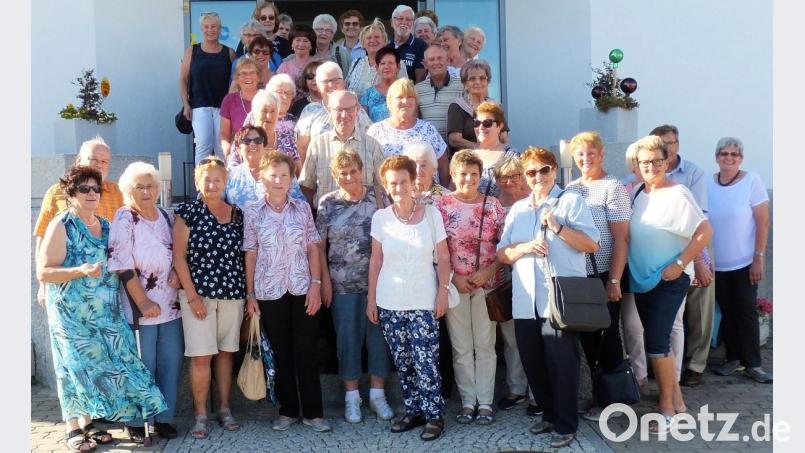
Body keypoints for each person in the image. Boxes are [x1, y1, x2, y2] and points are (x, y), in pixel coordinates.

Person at [37, 166, 167, 453]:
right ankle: (74, 426)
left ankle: (91, 424)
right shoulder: (63, 224)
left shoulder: (107, 226)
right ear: (71, 194)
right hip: (71, 316)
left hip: (106, 314)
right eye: (84, 189)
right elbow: (44, 271)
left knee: (111, 366)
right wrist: (80, 270)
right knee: (74, 369)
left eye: (96, 189)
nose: (92, 194)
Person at [496, 147, 600, 448]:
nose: (538, 176)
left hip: (559, 299)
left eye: (544, 169)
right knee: (533, 361)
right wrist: (525, 248)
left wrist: (558, 227)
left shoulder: (570, 201)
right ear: (525, 177)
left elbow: (592, 243)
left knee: (562, 362)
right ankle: (549, 414)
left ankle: (566, 423)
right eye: (531, 172)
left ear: (554, 170)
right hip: (525, 300)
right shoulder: (518, 209)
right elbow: (503, 253)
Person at [628, 135, 712, 433]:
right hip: (642, 279)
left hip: (669, 279)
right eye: (645, 162)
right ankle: (677, 401)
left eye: (657, 161)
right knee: (657, 340)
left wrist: (680, 264)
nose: (651, 166)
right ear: (636, 165)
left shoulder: (678, 193)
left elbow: (704, 231)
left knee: (656, 342)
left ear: (667, 162)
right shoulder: (638, 191)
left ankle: (666, 411)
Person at [243, 151, 331, 432]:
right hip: (269, 291)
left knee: (306, 350)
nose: (279, 180)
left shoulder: (302, 208)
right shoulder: (252, 211)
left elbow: (312, 247)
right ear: (262, 177)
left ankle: (314, 413)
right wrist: (250, 294)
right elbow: (251, 253)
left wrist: (316, 285)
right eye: (273, 175)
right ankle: (288, 409)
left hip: (302, 288)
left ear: (291, 178)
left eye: (284, 175)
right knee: (281, 352)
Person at [368, 155, 450, 441]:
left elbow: (443, 256)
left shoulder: (431, 215)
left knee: (426, 360)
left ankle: (434, 414)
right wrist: (371, 300)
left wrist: (443, 291)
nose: (399, 187)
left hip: (424, 300)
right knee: (403, 361)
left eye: (404, 181)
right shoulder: (380, 218)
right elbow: (376, 262)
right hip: (390, 301)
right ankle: (413, 409)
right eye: (393, 183)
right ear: (385, 186)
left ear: (413, 181)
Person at [316, 149, 394, 423]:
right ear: (335, 176)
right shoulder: (328, 203)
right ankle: (352, 398)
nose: (349, 177)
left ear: (362, 170)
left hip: (380, 283)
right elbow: (319, 246)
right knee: (347, 339)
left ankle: (377, 395)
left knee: (378, 339)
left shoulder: (379, 196)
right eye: (343, 173)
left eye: (353, 171)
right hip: (342, 284)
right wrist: (323, 280)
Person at [108, 162, 183, 442]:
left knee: (170, 363)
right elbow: (122, 264)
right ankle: (138, 422)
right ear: (128, 190)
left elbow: (179, 252)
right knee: (142, 365)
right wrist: (143, 301)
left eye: (150, 185)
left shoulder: (166, 215)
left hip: (171, 305)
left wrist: (177, 270)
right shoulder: (125, 218)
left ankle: (163, 418)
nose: (146, 191)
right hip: (140, 309)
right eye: (139, 186)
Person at [173, 157, 246, 439]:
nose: (212, 185)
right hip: (198, 295)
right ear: (197, 182)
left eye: (218, 180)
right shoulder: (187, 212)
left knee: (226, 354)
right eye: (207, 179)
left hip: (232, 293)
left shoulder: (237, 214)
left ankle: (225, 409)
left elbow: (244, 254)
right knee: (201, 356)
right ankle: (201, 414)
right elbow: (179, 256)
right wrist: (192, 297)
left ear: (225, 182)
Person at [435, 150, 505, 425]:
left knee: (486, 345)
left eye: (474, 174)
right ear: (452, 175)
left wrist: (489, 270)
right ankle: (467, 401)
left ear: (480, 176)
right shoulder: (440, 206)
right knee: (461, 345)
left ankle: (485, 401)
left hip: (487, 285)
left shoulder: (493, 206)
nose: (468, 179)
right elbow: (436, 249)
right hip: (455, 285)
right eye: (463, 173)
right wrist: (452, 277)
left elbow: (505, 245)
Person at [565, 132, 631, 421]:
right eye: (580, 153)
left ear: (602, 154)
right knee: (589, 340)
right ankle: (600, 396)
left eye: (591, 153)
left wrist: (614, 280)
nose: (585, 158)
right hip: (578, 276)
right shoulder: (570, 188)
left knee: (608, 339)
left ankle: (615, 401)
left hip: (603, 275)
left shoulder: (613, 187)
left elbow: (621, 239)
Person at [649, 124, 714, 388]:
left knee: (700, 307)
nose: (668, 147)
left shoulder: (693, 173)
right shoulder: (648, 171)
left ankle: (696, 364)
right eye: (663, 143)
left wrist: (697, 261)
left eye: (672, 142)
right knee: (670, 315)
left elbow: (699, 221)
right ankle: (665, 366)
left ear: (678, 144)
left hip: (693, 247)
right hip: (662, 252)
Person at [708, 137, 772, 383]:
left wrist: (759, 257)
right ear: (717, 157)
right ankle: (733, 359)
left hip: (745, 261)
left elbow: (763, 222)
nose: (729, 158)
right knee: (727, 311)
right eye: (724, 153)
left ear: (741, 158)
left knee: (745, 311)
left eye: (734, 155)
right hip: (718, 264)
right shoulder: (709, 183)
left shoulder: (752, 181)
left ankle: (753, 364)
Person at [34, 137, 124, 306]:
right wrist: (42, 286)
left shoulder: (119, 193)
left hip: (108, 292)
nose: (99, 165)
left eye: (104, 161)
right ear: (79, 160)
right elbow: (41, 239)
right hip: (69, 295)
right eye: (94, 159)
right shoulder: (56, 193)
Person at [491, 156, 539, 414]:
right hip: (504, 275)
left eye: (515, 176)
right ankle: (516, 387)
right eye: (503, 177)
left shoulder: (534, 201)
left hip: (533, 274)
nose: (509, 182)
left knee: (535, 335)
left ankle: (537, 390)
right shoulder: (495, 203)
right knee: (511, 337)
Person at [300, 89, 385, 207]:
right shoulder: (317, 144)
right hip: (325, 220)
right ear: (329, 110)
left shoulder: (373, 146)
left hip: (364, 222)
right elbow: (307, 187)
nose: (344, 115)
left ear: (357, 110)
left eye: (349, 109)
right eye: (339, 110)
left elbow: (381, 187)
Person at [366, 78, 449, 184]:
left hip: (427, 197)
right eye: (400, 97)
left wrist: (443, 197)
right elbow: (368, 169)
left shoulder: (428, 129)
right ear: (389, 102)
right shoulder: (376, 131)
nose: (405, 101)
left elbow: (443, 166)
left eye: (410, 97)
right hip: (389, 197)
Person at [179, 12, 236, 164]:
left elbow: (235, 82)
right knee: (203, 145)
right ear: (201, 29)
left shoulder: (229, 53)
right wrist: (186, 105)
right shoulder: (192, 51)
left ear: (219, 29)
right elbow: (182, 80)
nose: (210, 30)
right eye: (206, 26)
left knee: (221, 146)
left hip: (223, 108)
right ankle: (201, 185)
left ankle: (224, 185)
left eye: (214, 26)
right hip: (199, 106)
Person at [295, 62, 373, 163]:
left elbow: (370, 140)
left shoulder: (357, 109)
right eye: (325, 81)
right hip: (321, 173)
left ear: (344, 83)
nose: (331, 85)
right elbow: (302, 147)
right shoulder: (310, 111)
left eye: (336, 80)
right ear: (318, 86)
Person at [447, 60, 509, 156]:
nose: (477, 82)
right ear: (465, 84)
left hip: (495, 156)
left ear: (487, 82)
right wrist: (480, 149)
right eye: (472, 79)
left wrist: (501, 154)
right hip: (467, 159)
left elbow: (504, 138)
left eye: (482, 78)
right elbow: (454, 139)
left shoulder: (495, 106)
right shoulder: (457, 106)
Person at [346, 19, 407, 99]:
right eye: (369, 38)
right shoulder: (356, 62)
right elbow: (346, 85)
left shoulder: (396, 63)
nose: (373, 40)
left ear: (384, 41)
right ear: (363, 43)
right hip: (354, 109)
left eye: (377, 37)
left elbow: (405, 91)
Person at [415, 44, 464, 143]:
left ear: (447, 60)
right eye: (431, 59)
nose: (436, 62)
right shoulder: (417, 90)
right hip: (429, 150)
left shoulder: (462, 86)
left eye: (439, 58)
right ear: (425, 64)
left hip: (456, 149)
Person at [472, 101, 519, 197]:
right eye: (477, 123)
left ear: (499, 126)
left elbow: (521, 190)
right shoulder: (468, 156)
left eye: (487, 123)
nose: (481, 127)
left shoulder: (511, 156)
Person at [220, 57, 261, 162]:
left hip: (263, 151)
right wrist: (227, 150)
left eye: (252, 73)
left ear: (258, 77)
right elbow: (224, 133)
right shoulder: (229, 100)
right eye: (243, 73)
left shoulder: (266, 98)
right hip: (238, 152)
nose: (248, 77)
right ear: (237, 78)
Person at [266, 73, 303, 175]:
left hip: (291, 175)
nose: (284, 97)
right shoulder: (258, 116)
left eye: (288, 93)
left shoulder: (296, 122)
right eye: (279, 92)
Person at [387, 4, 427, 82]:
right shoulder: (385, 46)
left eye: (408, 19)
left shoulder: (420, 46)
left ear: (413, 23)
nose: (404, 22)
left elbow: (420, 80)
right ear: (392, 22)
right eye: (400, 18)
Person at [360, 47, 401, 122]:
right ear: (377, 68)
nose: (386, 67)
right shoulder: (368, 94)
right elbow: (363, 123)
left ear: (398, 67)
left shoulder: (406, 91)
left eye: (390, 63)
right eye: (382, 63)